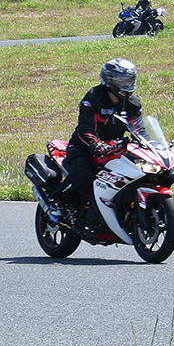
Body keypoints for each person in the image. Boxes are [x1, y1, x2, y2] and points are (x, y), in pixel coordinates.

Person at [56, 59, 142, 230]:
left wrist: (150, 145)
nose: (128, 84)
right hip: (84, 148)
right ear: (110, 81)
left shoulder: (133, 103)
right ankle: (58, 204)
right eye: (123, 81)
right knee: (83, 174)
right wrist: (97, 145)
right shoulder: (94, 97)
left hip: (114, 148)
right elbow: (85, 129)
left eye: (130, 80)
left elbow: (139, 130)